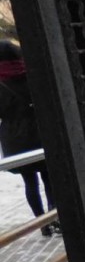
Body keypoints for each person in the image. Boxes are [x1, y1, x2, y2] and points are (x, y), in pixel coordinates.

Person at [0, 40, 58, 236]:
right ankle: (53, 214)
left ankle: (42, 223)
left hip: (15, 138)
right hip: (40, 132)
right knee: (49, 178)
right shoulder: (32, 76)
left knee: (29, 181)